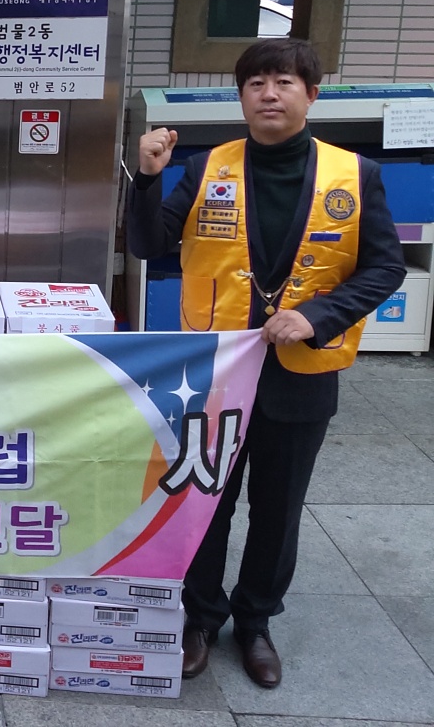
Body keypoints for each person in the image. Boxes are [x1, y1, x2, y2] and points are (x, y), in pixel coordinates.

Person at [127, 38, 404, 689]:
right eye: (255, 83)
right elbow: (147, 242)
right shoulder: (207, 167)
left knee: (278, 510)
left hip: (302, 374)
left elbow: (384, 266)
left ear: (312, 94)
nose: (269, 94)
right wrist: (147, 178)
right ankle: (200, 618)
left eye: (283, 82)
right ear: (241, 96)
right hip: (216, 372)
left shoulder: (355, 175)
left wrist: (319, 316)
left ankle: (255, 623)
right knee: (206, 501)